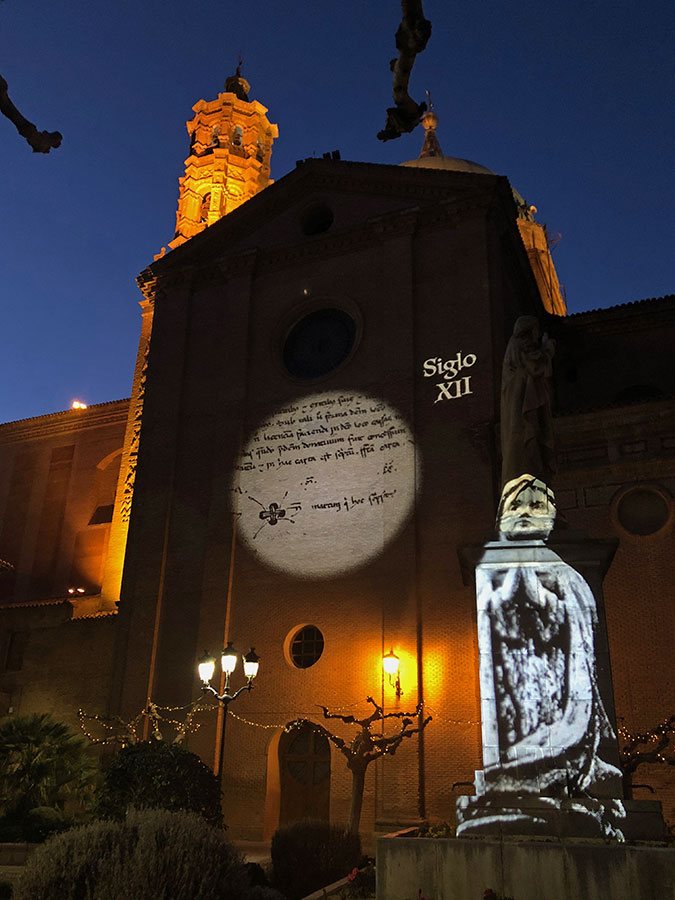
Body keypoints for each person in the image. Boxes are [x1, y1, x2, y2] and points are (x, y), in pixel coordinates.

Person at [500, 316, 556, 488]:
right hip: (523, 405)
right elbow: (535, 366)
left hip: (521, 405)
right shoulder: (520, 345)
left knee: (529, 442)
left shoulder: (514, 348)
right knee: (528, 438)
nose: (536, 335)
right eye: (535, 330)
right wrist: (548, 349)